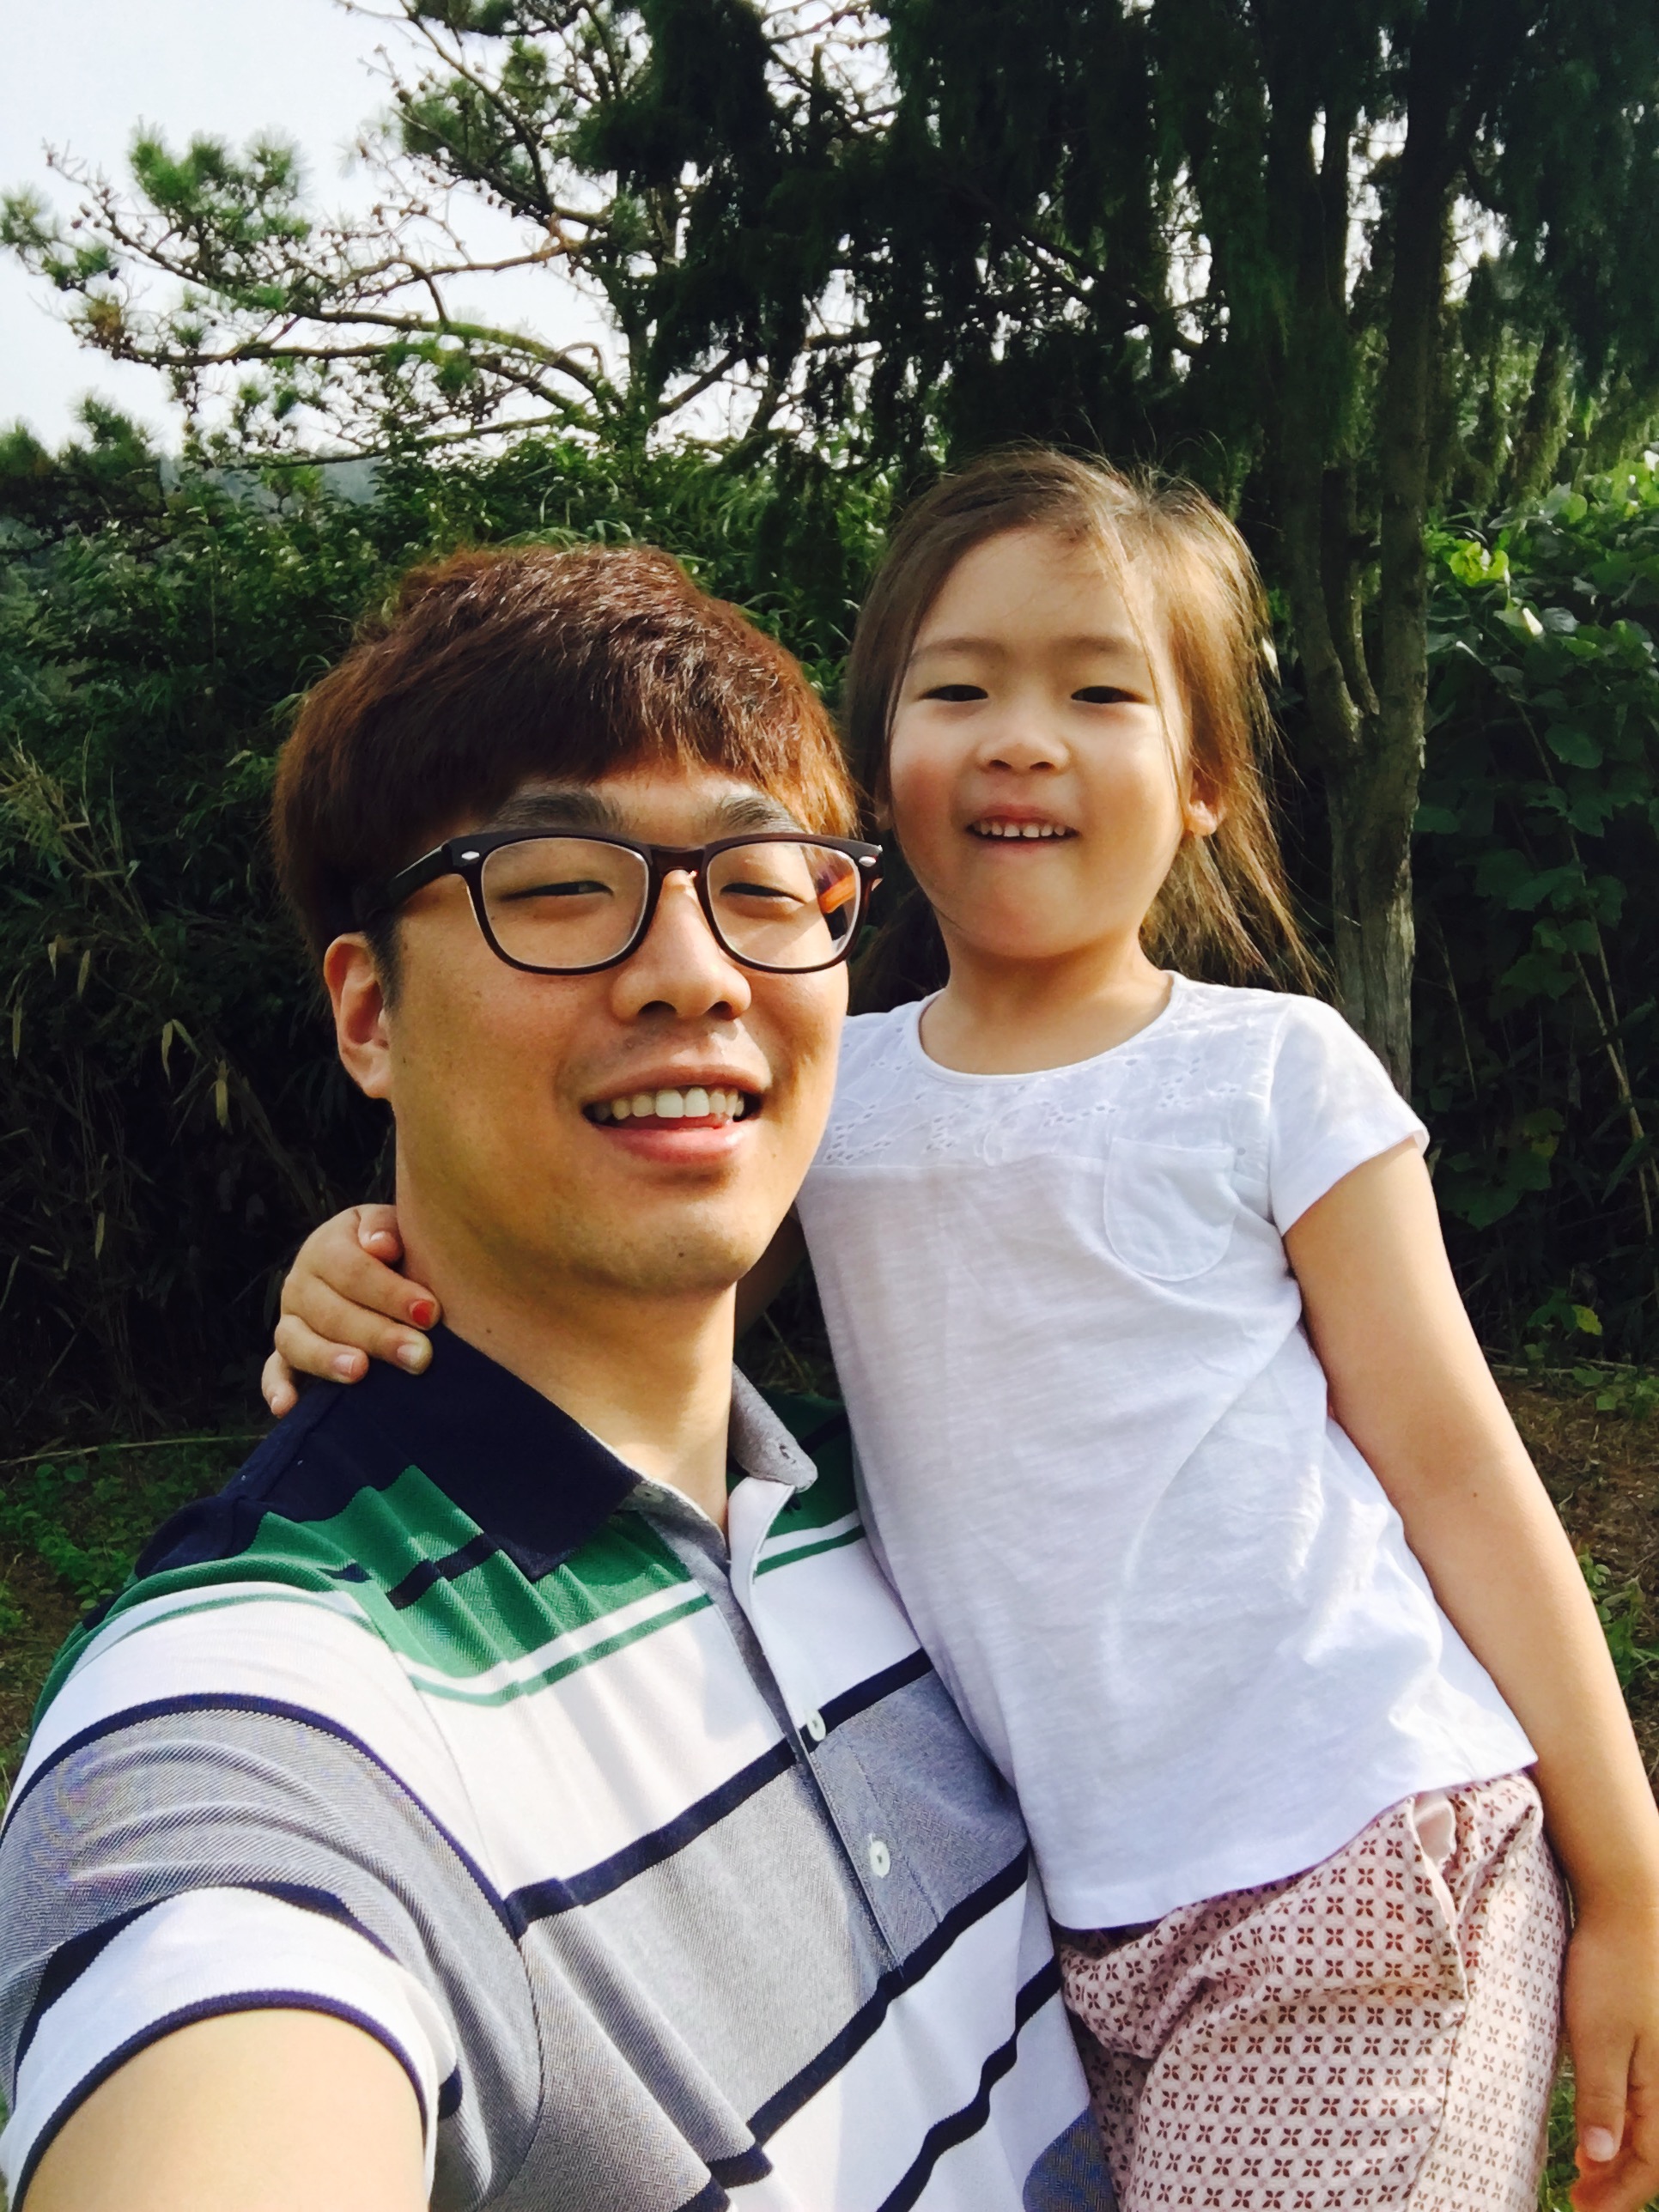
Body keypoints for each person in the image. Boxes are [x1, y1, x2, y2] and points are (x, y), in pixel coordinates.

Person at [270, 450, 1659, 2212]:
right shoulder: (818, 1095)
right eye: (959, 690)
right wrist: (363, 1255)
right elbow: (613, 1280)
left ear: (1204, 784)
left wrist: (1629, 1872)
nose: (1023, 739)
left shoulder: (1271, 1073)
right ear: (878, 780)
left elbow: (1456, 1465)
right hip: (1054, 1914)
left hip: (1349, 1847)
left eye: (1100, 693)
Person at [0, 542, 1117, 2212]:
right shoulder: (271, 1726)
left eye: (765, 884)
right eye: (557, 885)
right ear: (370, 1016)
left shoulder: (908, 1499)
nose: (694, 969)